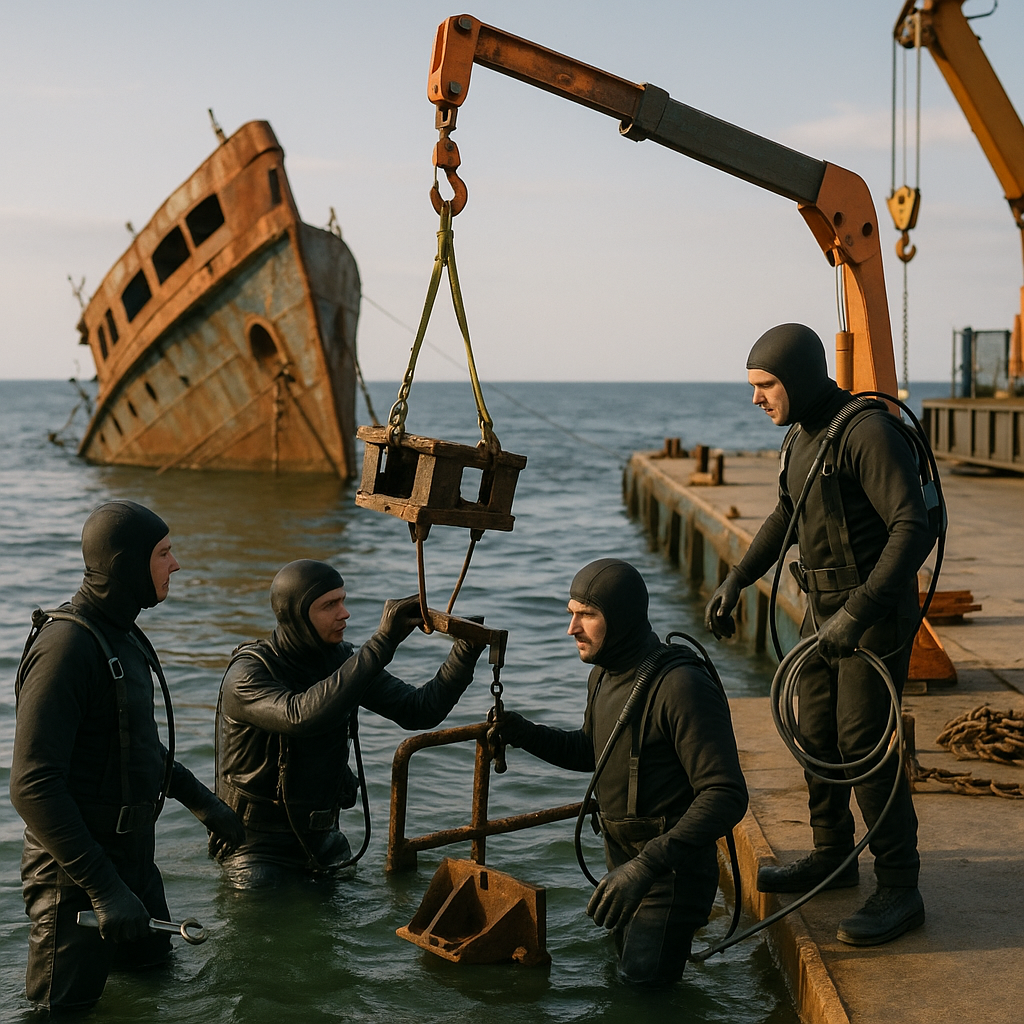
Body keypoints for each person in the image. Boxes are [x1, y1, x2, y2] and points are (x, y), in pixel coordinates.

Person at [704, 322, 934, 947]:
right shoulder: (803, 436)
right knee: (816, 733)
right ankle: (832, 855)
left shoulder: (866, 432)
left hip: (871, 613)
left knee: (863, 742)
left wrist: (858, 614)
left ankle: (900, 886)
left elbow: (911, 528)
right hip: (822, 609)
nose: (756, 398)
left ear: (799, 378)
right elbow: (786, 514)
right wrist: (737, 578)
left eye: (766, 385)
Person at [10, 500, 245, 1012]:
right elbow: (32, 785)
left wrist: (204, 802)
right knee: (62, 1013)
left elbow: (133, 745)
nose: (176, 564)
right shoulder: (66, 649)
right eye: (164, 553)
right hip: (75, 876)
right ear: (125, 566)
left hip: (134, 860)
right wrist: (103, 888)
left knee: (154, 988)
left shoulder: (121, 633)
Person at [494, 558, 748, 987]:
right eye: (571, 613)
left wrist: (645, 866)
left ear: (622, 617)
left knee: (642, 993)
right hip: (626, 864)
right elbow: (594, 751)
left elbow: (725, 794)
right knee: (626, 982)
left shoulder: (681, 685)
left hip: (669, 874)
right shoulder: (603, 675)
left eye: (587, 615)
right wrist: (523, 732)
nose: (572, 628)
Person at [212, 558, 487, 888]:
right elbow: (299, 716)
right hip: (257, 848)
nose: (344, 613)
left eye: (343, 600)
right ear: (295, 614)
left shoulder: (342, 661)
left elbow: (419, 710)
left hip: (325, 839)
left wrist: (466, 651)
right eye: (329, 605)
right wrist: (382, 642)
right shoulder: (248, 675)